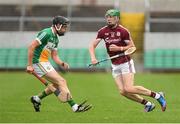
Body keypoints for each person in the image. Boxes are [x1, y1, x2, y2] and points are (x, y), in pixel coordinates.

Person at [89, 9, 166, 112]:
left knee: (129, 88)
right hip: (115, 64)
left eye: (111, 17)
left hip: (125, 62)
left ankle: (158, 96)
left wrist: (119, 48)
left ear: (117, 18)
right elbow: (92, 45)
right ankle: (148, 104)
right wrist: (93, 58)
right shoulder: (103, 31)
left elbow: (132, 47)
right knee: (123, 91)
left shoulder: (123, 31)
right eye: (107, 17)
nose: (109, 19)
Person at [26, 15, 91, 112]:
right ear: (57, 25)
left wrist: (62, 63)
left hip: (45, 62)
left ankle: (37, 98)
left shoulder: (56, 39)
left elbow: (54, 56)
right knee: (62, 81)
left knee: (56, 84)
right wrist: (30, 65)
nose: (65, 29)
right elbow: (31, 46)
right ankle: (75, 107)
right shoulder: (46, 33)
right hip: (38, 61)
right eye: (64, 27)